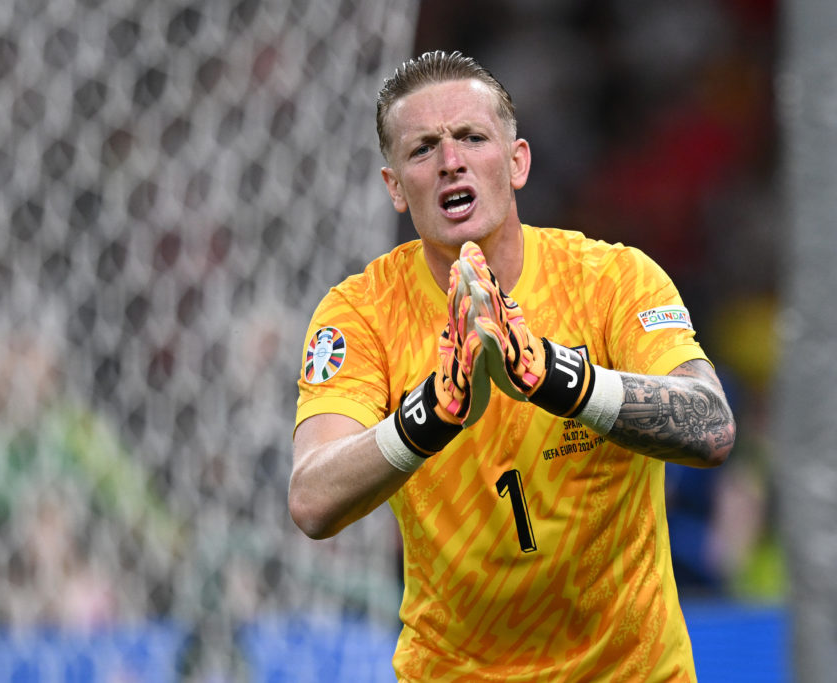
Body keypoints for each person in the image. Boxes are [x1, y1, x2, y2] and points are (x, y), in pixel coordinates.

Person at [288, 50, 736, 681]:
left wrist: (561, 379)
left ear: (517, 161)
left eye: (472, 137)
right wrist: (429, 418)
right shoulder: (360, 314)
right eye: (422, 149)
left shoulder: (613, 280)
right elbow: (311, 497)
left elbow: (712, 427)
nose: (450, 162)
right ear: (394, 186)